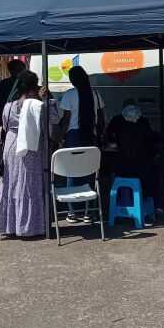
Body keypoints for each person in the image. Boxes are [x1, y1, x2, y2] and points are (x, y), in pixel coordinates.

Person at [0, 70, 59, 237]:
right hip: (30, 146)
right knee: (30, 184)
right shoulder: (37, 106)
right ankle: (30, 226)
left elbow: (6, 125)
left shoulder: (9, 105)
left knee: (11, 184)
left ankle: (10, 225)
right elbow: (54, 119)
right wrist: (46, 99)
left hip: (11, 144)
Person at [59, 65, 105, 223]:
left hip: (73, 137)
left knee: (71, 174)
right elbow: (101, 119)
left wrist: (59, 138)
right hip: (90, 137)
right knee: (90, 174)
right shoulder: (96, 94)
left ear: (73, 80)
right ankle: (88, 212)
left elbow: (65, 120)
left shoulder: (69, 95)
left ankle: (72, 212)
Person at [106, 100, 157, 201]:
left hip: (123, 167)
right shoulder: (143, 121)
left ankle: (121, 199)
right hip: (142, 167)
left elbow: (108, 136)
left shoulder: (117, 120)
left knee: (115, 172)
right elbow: (151, 139)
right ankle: (144, 201)